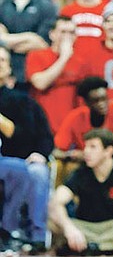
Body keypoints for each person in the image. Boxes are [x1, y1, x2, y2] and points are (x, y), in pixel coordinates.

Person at [49, 128, 113, 255]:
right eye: (86, 146)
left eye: (93, 147)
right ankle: (104, 247)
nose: (86, 152)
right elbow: (56, 202)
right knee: (52, 220)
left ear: (108, 151)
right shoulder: (80, 174)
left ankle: (103, 246)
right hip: (86, 228)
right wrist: (69, 229)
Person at [0, 44, 53, 250]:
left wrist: (40, 153)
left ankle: (36, 235)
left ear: (10, 68)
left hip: (19, 158)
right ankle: (9, 229)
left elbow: (39, 135)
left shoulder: (23, 101)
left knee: (36, 172)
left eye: (3, 60)